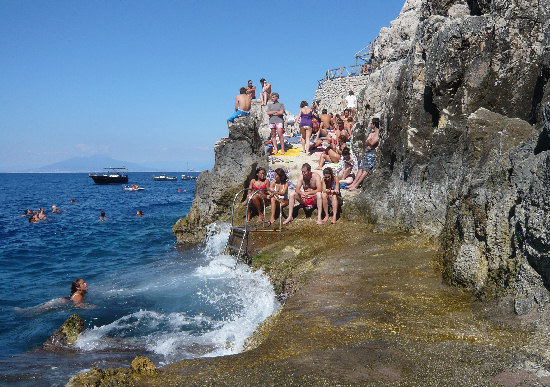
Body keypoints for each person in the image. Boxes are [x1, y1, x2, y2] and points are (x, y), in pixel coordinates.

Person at [348, 118, 380, 190]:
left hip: (372, 153)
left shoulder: (378, 134)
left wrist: (369, 140)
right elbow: (366, 142)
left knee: (365, 170)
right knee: (360, 168)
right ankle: (353, 183)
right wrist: (369, 140)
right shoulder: (372, 133)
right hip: (368, 152)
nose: (371, 125)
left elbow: (372, 142)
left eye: (372, 123)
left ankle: (356, 185)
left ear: (374, 125)